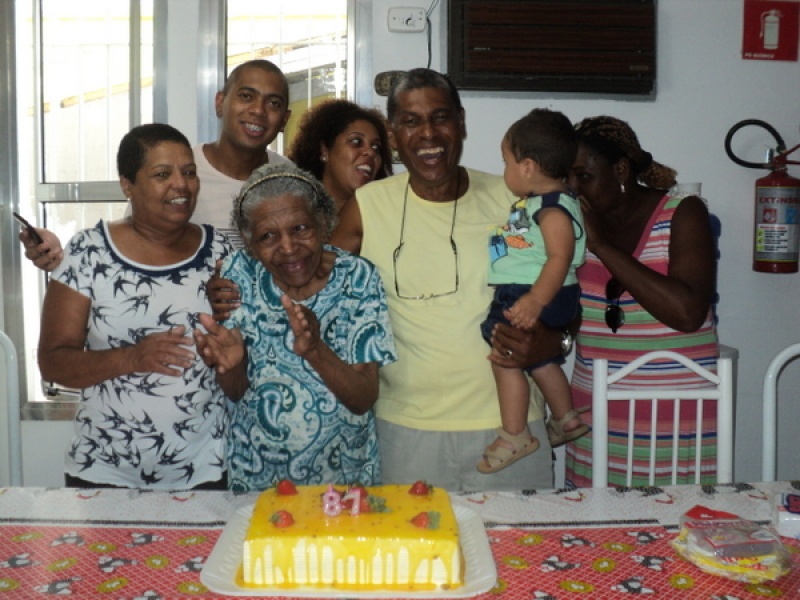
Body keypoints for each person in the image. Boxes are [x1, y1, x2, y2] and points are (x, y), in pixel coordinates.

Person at [329, 68, 557, 492]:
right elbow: (316, 289)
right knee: (414, 560)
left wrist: (554, 341)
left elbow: (564, 288)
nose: (428, 133)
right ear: (393, 135)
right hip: (406, 434)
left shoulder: (513, 202)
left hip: (511, 431)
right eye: (411, 121)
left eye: (441, 117)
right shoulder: (368, 205)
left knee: (519, 556)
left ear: (461, 123)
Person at [37, 123, 233, 490]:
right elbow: (53, 361)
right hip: (105, 474)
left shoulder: (221, 252)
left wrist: (229, 345)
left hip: (206, 472)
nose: (182, 184)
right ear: (127, 185)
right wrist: (133, 358)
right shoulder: (88, 252)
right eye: (162, 174)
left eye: (189, 172)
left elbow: (243, 362)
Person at [195, 163, 397, 491]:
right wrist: (230, 366)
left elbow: (363, 398)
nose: (288, 248)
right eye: (267, 236)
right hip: (258, 480)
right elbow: (235, 391)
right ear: (249, 242)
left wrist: (316, 350)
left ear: (324, 223)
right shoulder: (238, 274)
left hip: (343, 483)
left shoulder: (357, 278)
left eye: (301, 228)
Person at [564, 115, 719, 488]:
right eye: (567, 177)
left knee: (675, 534)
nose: (573, 188)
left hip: (673, 416)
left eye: (583, 176)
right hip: (596, 416)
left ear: (620, 169)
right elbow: (572, 315)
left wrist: (601, 245)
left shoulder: (684, 212)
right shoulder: (574, 225)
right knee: (593, 539)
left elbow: (687, 313)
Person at [19, 58, 293, 264]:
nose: (258, 110)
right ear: (220, 102)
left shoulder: (292, 181)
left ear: (284, 119)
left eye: (273, 103)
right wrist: (63, 259)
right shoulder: (179, 173)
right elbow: (132, 249)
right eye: (246, 96)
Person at [477, 108, 588, 474]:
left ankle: (515, 434)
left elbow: (560, 256)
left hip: (533, 290)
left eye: (506, 162)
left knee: (505, 354)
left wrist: (536, 299)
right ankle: (566, 417)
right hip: (538, 289)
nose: (504, 171)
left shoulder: (553, 208)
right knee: (540, 360)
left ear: (526, 167)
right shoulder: (538, 204)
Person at [288, 98, 393, 213]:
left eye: (376, 147)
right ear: (324, 151)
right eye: (356, 142)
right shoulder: (295, 213)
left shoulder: (387, 216)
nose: (371, 152)